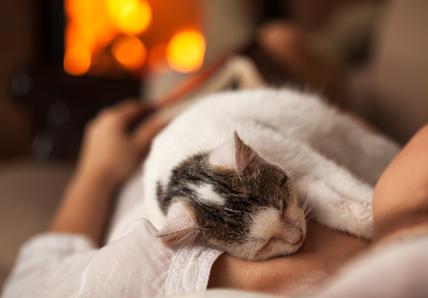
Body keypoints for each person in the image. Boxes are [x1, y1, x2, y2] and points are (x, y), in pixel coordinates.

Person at [3, 100, 428, 297]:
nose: (293, 235)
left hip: (207, 141)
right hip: (212, 214)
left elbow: (47, 252)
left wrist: (95, 170)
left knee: (277, 45)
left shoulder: (22, 289)